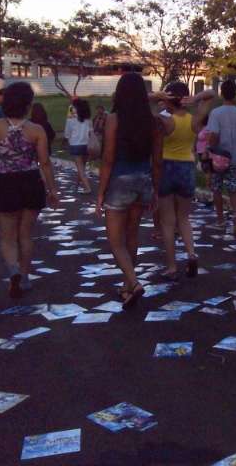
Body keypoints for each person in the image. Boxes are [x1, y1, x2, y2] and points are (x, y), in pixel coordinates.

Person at [96, 73, 164, 310]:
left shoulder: (114, 119)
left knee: (115, 241)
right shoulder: (154, 121)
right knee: (132, 236)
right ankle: (126, 287)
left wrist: (100, 193)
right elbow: (157, 161)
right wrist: (155, 190)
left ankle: (133, 283)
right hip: (143, 182)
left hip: (120, 183)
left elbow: (108, 159)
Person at [0, 82, 59, 298]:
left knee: (7, 236)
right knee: (25, 235)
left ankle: (13, 269)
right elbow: (45, 162)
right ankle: (24, 277)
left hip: (4, 183)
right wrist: (52, 190)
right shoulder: (36, 130)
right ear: (27, 104)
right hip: (31, 183)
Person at [155, 81, 205, 281]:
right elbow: (210, 94)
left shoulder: (165, 121)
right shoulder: (195, 120)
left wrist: (160, 98)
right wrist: (196, 99)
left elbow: (145, 107)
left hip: (166, 167)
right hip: (186, 166)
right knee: (184, 218)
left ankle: (171, 266)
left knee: (167, 222)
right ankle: (191, 254)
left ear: (169, 99)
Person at [207, 79, 236, 235]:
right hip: (234, 158)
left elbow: (214, 135)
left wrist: (208, 151)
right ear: (235, 93)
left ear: (221, 93)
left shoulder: (216, 113)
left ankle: (220, 220)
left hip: (218, 158)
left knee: (216, 188)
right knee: (233, 189)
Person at [64, 98, 93, 193]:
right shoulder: (88, 119)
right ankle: (77, 184)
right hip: (87, 145)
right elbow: (91, 132)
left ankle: (87, 188)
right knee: (82, 167)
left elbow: (67, 132)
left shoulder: (71, 118)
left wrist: (66, 139)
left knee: (80, 168)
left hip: (75, 145)